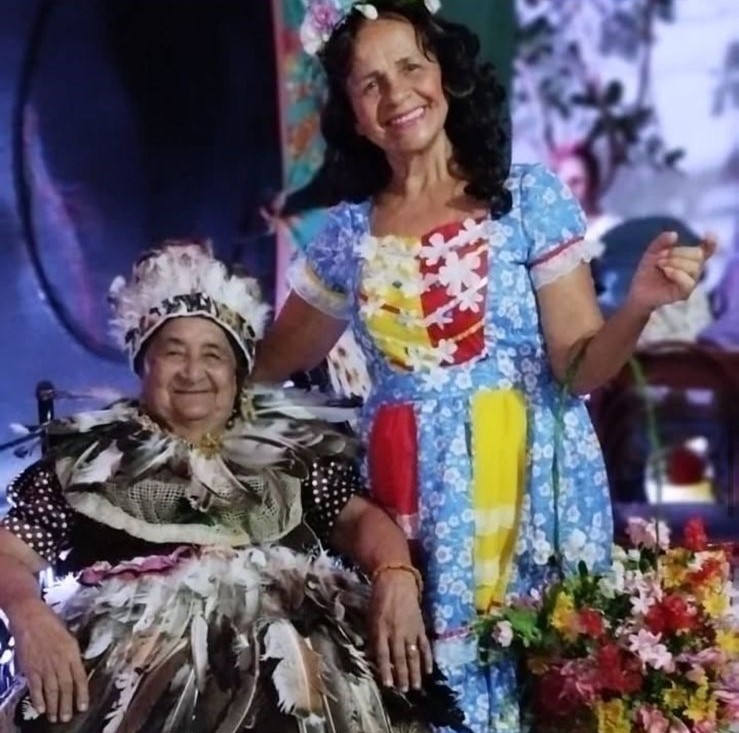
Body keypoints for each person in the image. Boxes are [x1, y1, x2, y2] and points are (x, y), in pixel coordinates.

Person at [252, 1, 716, 731]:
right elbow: (265, 367)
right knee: (437, 700)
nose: (396, 93)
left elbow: (577, 369)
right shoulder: (346, 235)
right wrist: (182, 344)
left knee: (552, 689)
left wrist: (639, 305)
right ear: (352, 114)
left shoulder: (526, 199)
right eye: (369, 83)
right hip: (413, 505)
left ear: (445, 73)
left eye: (410, 66)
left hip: (533, 488)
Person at [0, 240, 468, 733]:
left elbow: (360, 520)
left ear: (238, 371)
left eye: (213, 354)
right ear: (143, 364)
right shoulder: (90, 462)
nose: (193, 372)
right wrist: (29, 615)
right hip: (131, 683)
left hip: (295, 681)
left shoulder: (290, 454)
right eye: (173, 352)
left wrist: (395, 576)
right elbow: (9, 554)